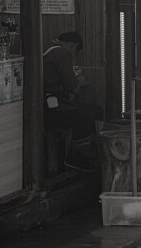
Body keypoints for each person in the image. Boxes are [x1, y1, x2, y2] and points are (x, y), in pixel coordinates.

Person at [43, 32, 101, 172]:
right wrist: (79, 81)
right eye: (76, 51)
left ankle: (90, 154)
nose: (74, 55)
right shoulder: (61, 53)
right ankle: (77, 156)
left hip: (46, 104)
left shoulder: (48, 49)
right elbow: (72, 87)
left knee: (93, 111)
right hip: (52, 108)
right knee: (86, 115)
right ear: (73, 45)